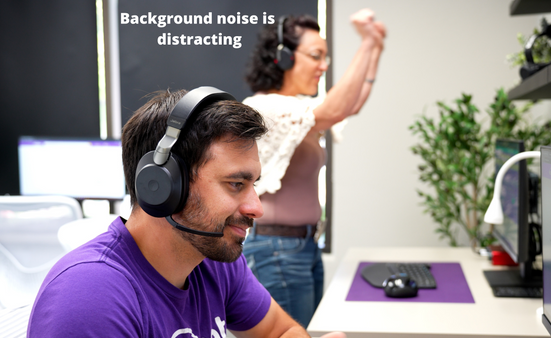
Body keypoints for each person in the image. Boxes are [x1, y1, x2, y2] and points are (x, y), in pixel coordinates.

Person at [27, 87, 345, 338]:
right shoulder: (90, 295)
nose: (256, 208)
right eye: (236, 184)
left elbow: (280, 331)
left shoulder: (212, 259)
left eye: (253, 185)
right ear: (163, 185)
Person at [242, 9, 386, 327]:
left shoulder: (300, 112)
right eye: (316, 56)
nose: (323, 65)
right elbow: (335, 108)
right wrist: (365, 43)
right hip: (276, 250)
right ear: (284, 57)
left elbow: (352, 104)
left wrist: (375, 47)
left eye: (326, 58)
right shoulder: (263, 108)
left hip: (301, 247)